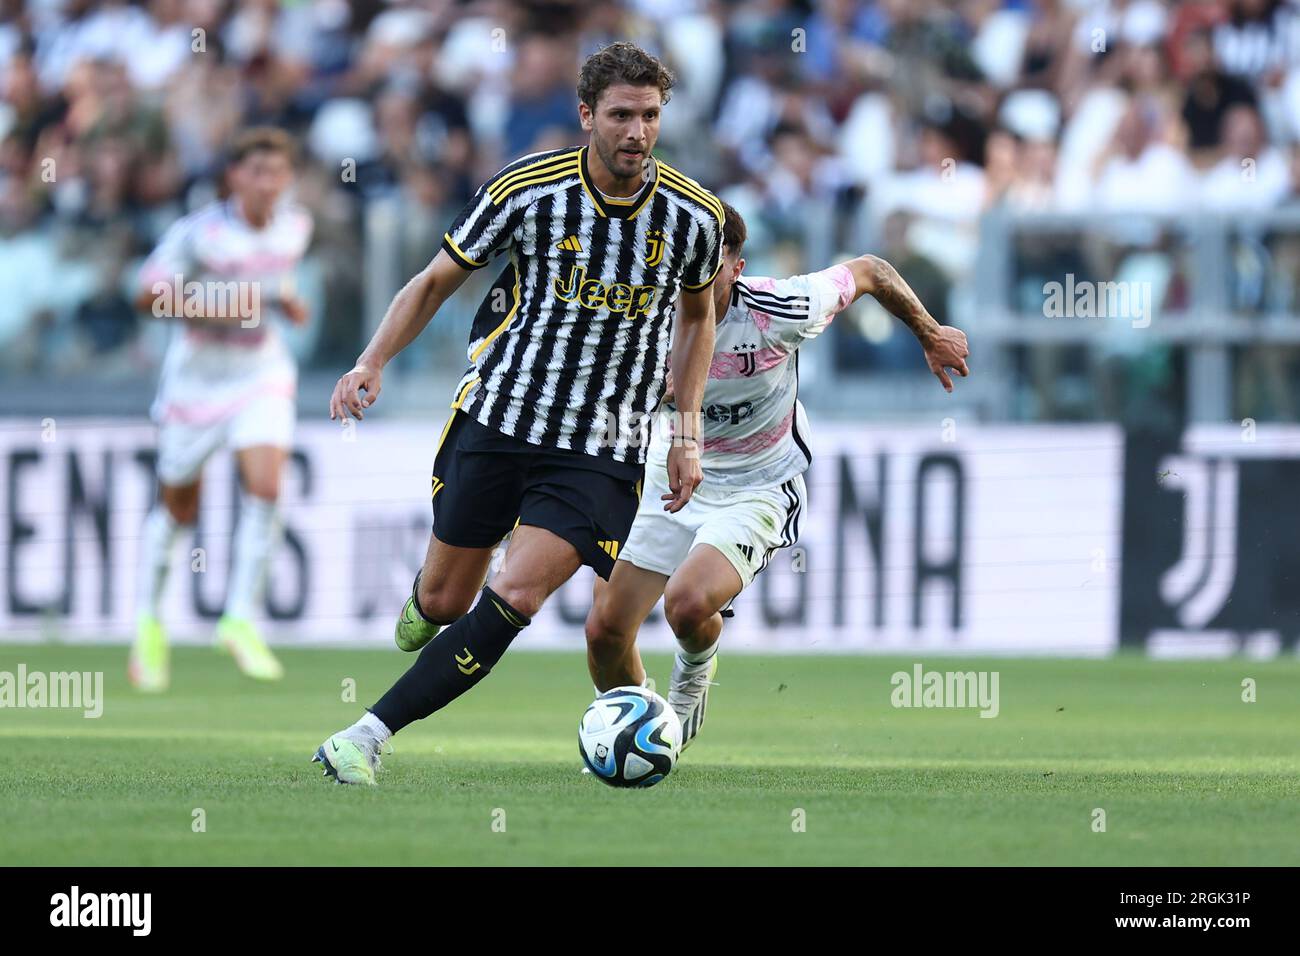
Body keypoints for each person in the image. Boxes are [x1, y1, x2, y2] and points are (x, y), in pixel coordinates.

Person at [314, 42, 723, 785]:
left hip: (604, 443)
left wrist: (685, 434)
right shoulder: (527, 191)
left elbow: (699, 320)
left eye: (651, 115)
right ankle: (428, 601)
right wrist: (371, 361)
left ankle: (365, 735)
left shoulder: (695, 217)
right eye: (622, 115)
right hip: (501, 417)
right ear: (586, 115)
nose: (638, 132)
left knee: (517, 596)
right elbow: (436, 281)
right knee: (444, 601)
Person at [584, 201, 970, 747]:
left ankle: (694, 671)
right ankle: (637, 737)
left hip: (758, 485)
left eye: (709, 264)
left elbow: (868, 270)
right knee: (604, 633)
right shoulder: (643, 316)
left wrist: (928, 332)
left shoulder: (778, 308)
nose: (689, 275)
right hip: (671, 474)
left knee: (688, 605)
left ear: (736, 270)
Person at [130, 126, 313, 691]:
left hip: (260, 375)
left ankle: (238, 619)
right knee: (179, 506)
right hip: (196, 384)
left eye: (277, 173)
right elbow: (146, 294)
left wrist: (284, 301)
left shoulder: (294, 227)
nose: (268, 184)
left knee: (265, 486)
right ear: (235, 176)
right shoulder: (199, 233)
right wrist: (230, 304)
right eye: (257, 172)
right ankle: (148, 623)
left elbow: (276, 283)